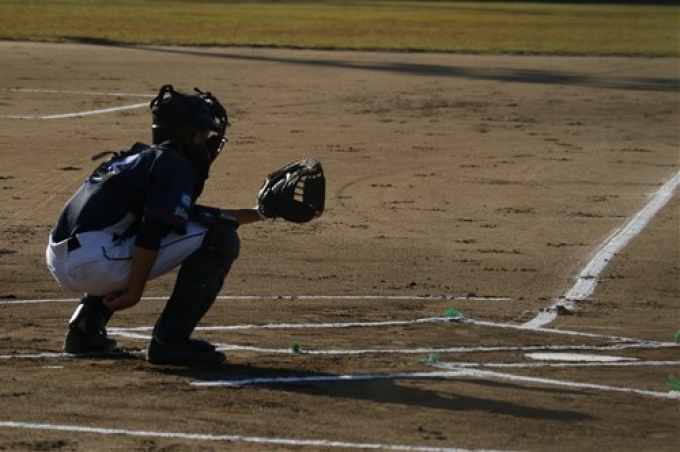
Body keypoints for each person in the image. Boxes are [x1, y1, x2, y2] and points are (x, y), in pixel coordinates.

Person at [46, 84, 264, 366]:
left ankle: (85, 330)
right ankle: (170, 342)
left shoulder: (142, 158)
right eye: (205, 134)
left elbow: (191, 217)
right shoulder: (174, 164)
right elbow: (152, 233)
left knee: (146, 230)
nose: (208, 141)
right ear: (191, 134)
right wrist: (133, 292)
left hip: (65, 257)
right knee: (220, 238)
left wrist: (261, 213)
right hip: (96, 262)